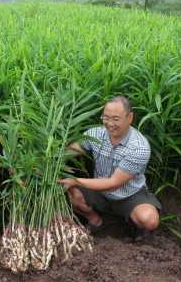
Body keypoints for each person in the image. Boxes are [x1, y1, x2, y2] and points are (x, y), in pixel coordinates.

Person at [58, 96, 161, 240]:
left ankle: (133, 227)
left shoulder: (139, 147)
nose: (110, 123)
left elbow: (113, 184)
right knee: (69, 192)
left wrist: (74, 180)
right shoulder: (95, 134)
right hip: (99, 191)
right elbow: (70, 151)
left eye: (116, 119)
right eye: (105, 118)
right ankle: (96, 222)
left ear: (129, 117)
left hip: (129, 195)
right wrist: (50, 159)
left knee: (149, 219)